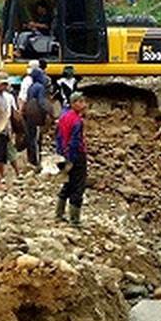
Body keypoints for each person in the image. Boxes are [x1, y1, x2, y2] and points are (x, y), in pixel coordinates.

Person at [56, 91, 88, 224]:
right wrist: (73, 159)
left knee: (67, 183)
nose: (84, 105)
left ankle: (59, 213)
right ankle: (74, 218)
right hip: (76, 156)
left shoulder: (64, 117)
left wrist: (61, 153)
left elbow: (58, 137)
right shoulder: (77, 121)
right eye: (81, 102)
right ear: (74, 103)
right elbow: (75, 141)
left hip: (63, 154)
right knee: (78, 186)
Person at [20, 63, 51, 169]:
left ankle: (31, 159)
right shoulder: (40, 87)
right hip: (36, 116)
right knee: (36, 139)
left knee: (30, 136)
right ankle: (37, 162)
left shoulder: (31, 87)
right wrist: (48, 111)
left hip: (29, 114)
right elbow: (41, 102)